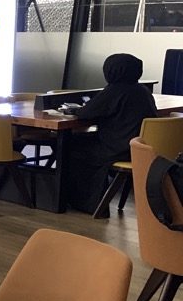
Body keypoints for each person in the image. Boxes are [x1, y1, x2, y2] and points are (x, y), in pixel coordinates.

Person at [65, 53, 158, 216]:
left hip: (116, 149)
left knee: (70, 146)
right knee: (82, 142)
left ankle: (85, 203)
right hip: (139, 148)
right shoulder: (143, 91)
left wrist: (74, 110)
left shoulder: (115, 91)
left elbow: (85, 113)